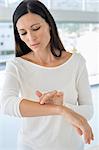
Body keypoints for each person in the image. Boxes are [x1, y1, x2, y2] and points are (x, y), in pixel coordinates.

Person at [0, 0, 94, 150]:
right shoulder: (16, 65)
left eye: (35, 28)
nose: (30, 38)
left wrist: (63, 105)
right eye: (23, 33)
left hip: (70, 146)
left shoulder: (76, 62)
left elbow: (88, 110)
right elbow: (6, 104)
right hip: (30, 146)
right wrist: (59, 110)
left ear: (49, 24)